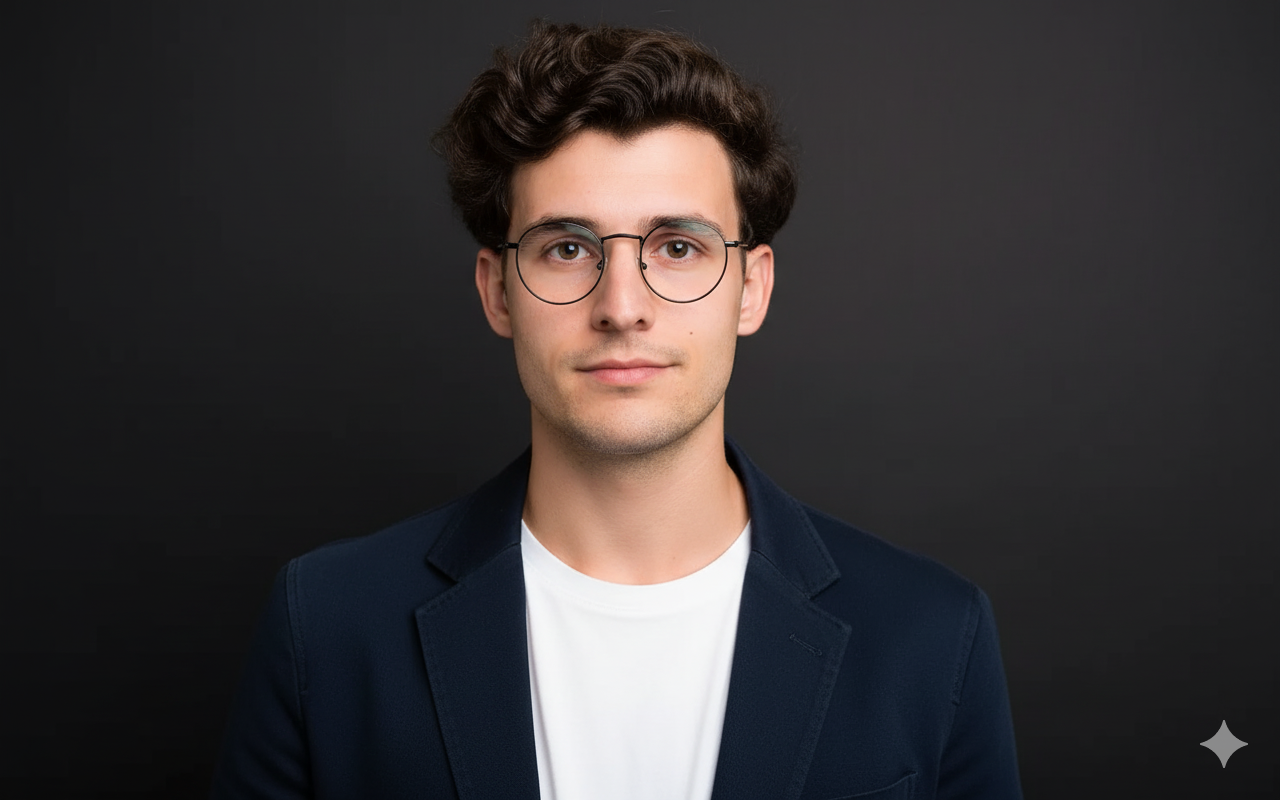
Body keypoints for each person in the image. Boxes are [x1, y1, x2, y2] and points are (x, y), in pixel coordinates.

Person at [212, 21, 1023, 800]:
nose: (622, 306)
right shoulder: (326, 624)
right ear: (497, 290)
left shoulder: (931, 635)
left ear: (753, 287)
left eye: (678, 246)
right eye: (567, 248)